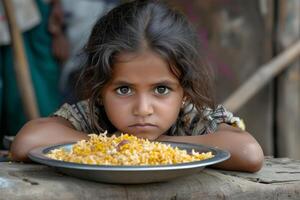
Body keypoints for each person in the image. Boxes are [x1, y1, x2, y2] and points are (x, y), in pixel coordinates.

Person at [10, 0, 264, 172]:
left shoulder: (189, 119)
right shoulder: (93, 116)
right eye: (124, 90)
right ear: (100, 92)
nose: (143, 109)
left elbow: (250, 153)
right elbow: (26, 142)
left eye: (161, 90)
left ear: (184, 92)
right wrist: (108, 145)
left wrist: (154, 147)